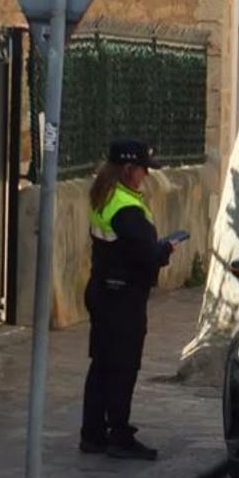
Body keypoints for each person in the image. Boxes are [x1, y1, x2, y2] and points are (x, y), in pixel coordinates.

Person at [80, 140, 178, 461]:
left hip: (104, 291)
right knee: (123, 367)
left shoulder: (105, 194)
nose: (146, 175)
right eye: (143, 169)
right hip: (122, 298)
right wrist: (165, 250)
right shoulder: (126, 207)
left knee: (103, 365)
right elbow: (146, 255)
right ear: (128, 169)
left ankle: (93, 434)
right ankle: (118, 434)